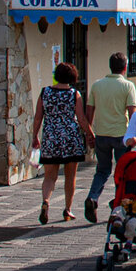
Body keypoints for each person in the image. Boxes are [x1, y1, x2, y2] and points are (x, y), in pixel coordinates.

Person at [33, 62, 92, 224]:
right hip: (70, 139)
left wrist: (34, 136)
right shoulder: (74, 94)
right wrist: (90, 134)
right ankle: (68, 209)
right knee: (70, 176)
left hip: (51, 138)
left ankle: (45, 201)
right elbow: (80, 119)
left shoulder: (45, 92)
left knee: (49, 176)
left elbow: (38, 117)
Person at [84, 53, 136, 222]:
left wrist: (89, 132)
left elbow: (89, 111)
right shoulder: (128, 86)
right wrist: (133, 134)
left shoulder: (97, 85)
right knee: (121, 172)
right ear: (125, 66)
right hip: (120, 134)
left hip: (101, 133)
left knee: (102, 170)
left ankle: (93, 197)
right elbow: (132, 112)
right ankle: (117, 203)